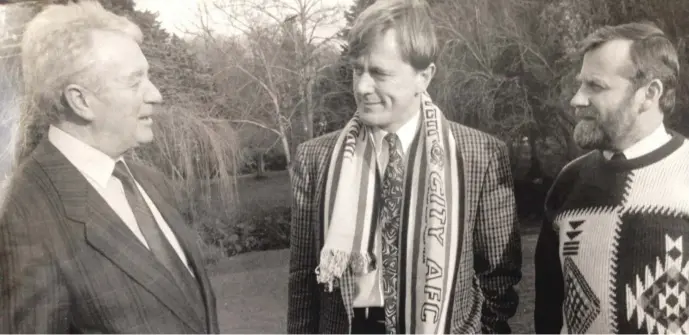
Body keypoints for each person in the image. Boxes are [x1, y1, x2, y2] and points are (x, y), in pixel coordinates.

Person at [287, 0, 522, 333]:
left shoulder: (479, 155)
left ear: (423, 77)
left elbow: (499, 280)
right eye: (357, 69)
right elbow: (302, 280)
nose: (362, 86)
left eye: (379, 73)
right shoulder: (315, 159)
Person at [0, 1, 219, 333]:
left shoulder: (150, 183)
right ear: (81, 101)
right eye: (135, 82)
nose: (156, 94)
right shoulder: (23, 214)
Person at [534, 22, 686, 334]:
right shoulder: (569, 182)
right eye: (580, 84)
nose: (577, 100)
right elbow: (548, 311)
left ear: (649, 94)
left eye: (596, 86)